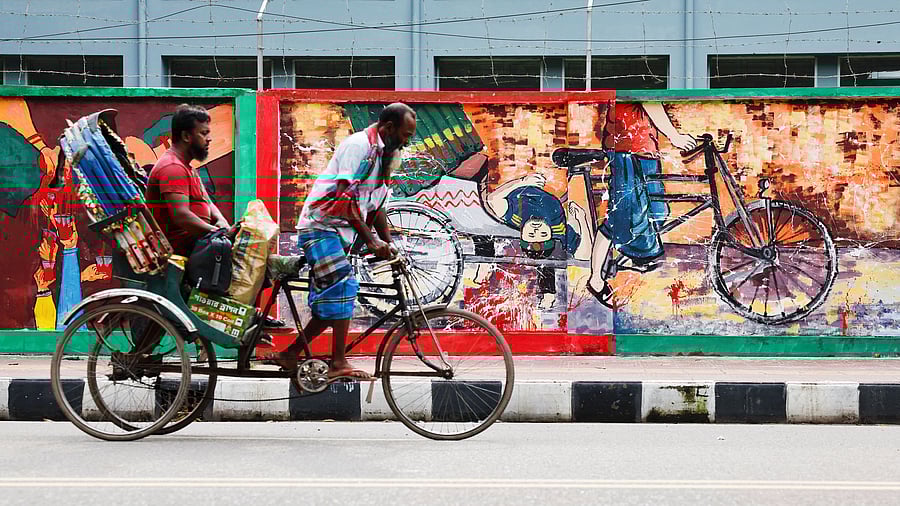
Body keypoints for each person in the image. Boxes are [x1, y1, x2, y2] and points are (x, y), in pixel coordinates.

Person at [266, 102, 417, 380]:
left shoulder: (386, 156)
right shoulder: (358, 145)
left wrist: (390, 244)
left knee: (333, 302)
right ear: (389, 128)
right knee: (344, 285)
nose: (408, 141)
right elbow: (343, 199)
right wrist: (371, 241)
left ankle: (290, 354)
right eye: (406, 135)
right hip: (320, 228)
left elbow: (377, 207)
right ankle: (338, 363)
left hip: (340, 234)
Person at [585, 102, 697, 308]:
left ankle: (629, 257)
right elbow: (649, 100)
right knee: (621, 218)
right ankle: (595, 279)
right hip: (624, 149)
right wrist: (675, 136)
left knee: (657, 211)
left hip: (645, 150)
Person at [145, 104, 231, 257]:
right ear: (186, 136)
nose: (209, 139)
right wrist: (217, 232)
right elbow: (181, 216)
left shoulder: (188, 167)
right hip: (184, 254)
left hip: (201, 245)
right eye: (204, 133)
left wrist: (221, 221)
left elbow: (208, 202)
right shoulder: (172, 168)